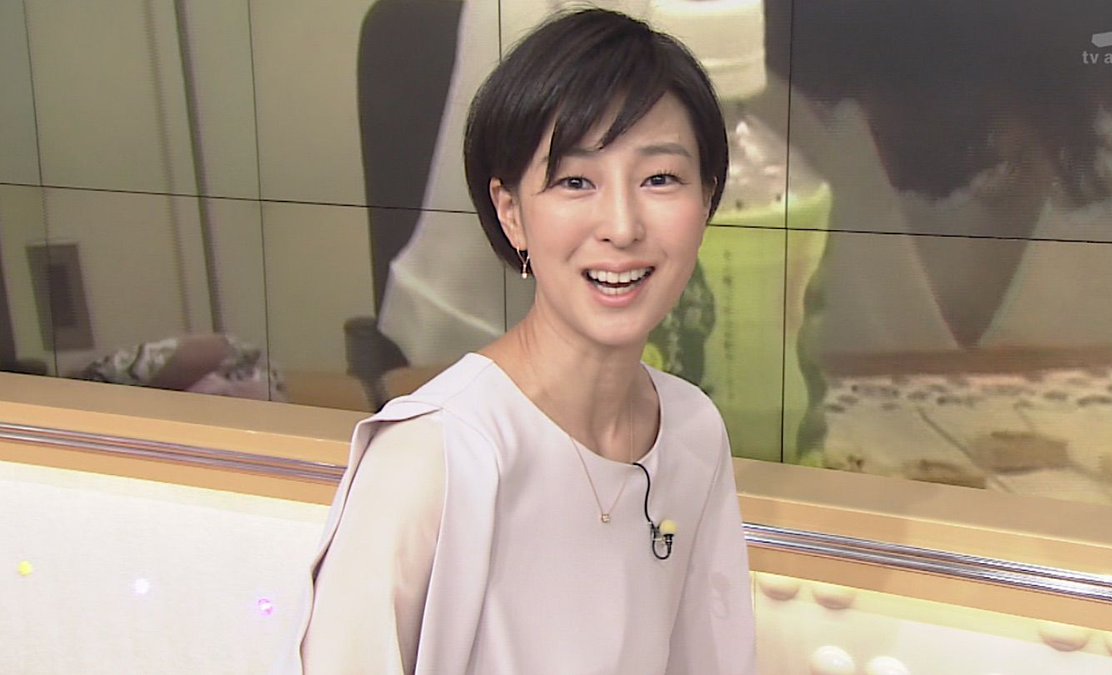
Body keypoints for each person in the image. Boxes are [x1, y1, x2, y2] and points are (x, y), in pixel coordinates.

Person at [277, 8, 756, 674]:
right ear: (512, 214)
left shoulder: (692, 432)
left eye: (659, 179)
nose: (621, 226)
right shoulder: (433, 457)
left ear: (706, 201)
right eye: (575, 181)